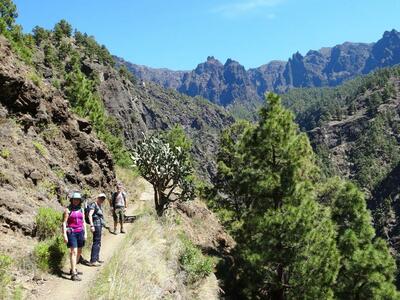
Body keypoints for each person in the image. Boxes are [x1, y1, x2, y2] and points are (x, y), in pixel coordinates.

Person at [62, 192, 87, 281]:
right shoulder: (68, 210)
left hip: (80, 232)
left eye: (77, 200)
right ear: (72, 200)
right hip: (71, 232)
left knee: (79, 252)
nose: (76, 201)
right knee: (74, 252)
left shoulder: (82, 209)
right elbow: (64, 223)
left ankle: (73, 268)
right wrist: (64, 234)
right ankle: (73, 274)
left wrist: (86, 233)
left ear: (80, 201)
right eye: (74, 199)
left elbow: (83, 221)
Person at [88, 193, 106, 266]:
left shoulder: (99, 205)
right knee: (96, 242)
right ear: (97, 198)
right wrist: (92, 225)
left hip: (99, 225)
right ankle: (93, 260)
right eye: (101, 198)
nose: (102, 200)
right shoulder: (94, 205)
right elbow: (90, 215)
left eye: (103, 199)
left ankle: (96, 258)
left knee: (98, 242)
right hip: (96, 225)